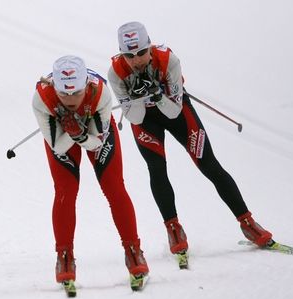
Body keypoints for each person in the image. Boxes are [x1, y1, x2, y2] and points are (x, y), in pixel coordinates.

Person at [108, 22, 273, 269]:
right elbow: (135, 118)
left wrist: (156, 94)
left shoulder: (168, 60)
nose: (137, 60)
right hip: (145, 121)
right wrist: (139, 99)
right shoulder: (116, 72)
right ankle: (173, 228)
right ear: (122, 54)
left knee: (209, 165)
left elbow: (174, 111)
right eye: (129, 55)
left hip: (176, 111)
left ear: (150, 47)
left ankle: (247, 222)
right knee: (157, 169)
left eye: (141, 52)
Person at [32, 55, 149, 291]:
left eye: (76, 92)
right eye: (64, 94)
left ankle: (133, 251)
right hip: (63, 137)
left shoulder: (101, 93)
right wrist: (73, 132)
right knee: (65, 191)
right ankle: (64, 256)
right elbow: (58, 146)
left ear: (86, 85)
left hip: (93, 133)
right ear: (55, 88)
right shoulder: (41, 99)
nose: (70, 99)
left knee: (114, 188)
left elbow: (96, 142)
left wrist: (81, 134)